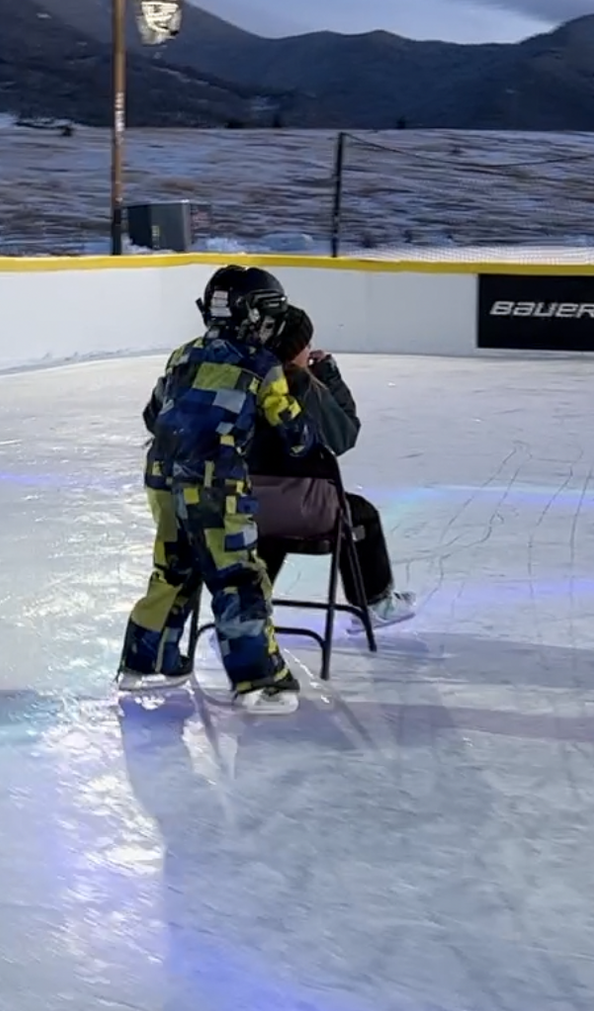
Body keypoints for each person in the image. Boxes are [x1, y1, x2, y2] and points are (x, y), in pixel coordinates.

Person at [115, 266, 318, 715]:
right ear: (255, 316)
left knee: (174, 569)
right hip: (213, 485)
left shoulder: (182, 355)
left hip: (162, 477)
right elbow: (297, 437)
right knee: (237, 576)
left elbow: (152, 415)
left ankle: (146, 661)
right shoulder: (261, 365)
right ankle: (259, 681)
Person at [248, 305, 415, 627]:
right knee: (361, 514)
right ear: (296, 349)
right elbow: (344, 435)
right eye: (306, 344)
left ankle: (246, 612)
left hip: (244, 507)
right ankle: (374, 602)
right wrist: (329, 376)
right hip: (307, 512)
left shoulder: (243, 383)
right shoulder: (304, 388)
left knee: (270, 527)